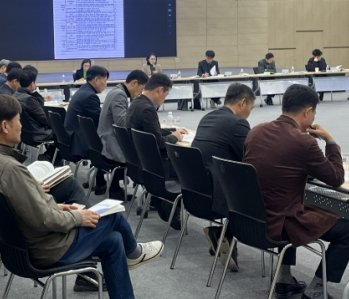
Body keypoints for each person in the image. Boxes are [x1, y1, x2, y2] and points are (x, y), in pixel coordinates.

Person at [0, 95, 164, 299]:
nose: (21, 125)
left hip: (19, 250)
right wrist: (78, 217)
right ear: (5, 126)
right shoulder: (10, 169)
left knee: (113, 241)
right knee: (114, 214)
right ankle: (134, 253)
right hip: (47, 248)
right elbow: (44, 220)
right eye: (18, 119)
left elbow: (20, 207)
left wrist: (59, 207)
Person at [244, 84, 349, 299]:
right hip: (280, 224)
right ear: (308, 111)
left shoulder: (256, 130)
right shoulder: (303, 141)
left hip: (252, 219)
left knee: (290, 204)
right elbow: (336, 178)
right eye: (314, 113)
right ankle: (316, 290)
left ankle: (283, 279)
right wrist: (330, 141)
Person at [191, 83, 255, 271]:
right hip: (219, 194)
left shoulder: (207, 117)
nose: (249, 113)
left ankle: (222, 237)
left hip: (196, 191)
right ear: (243, 102)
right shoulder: (237, 123)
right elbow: (252, 158)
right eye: (250, 108)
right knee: (257, 187)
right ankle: (225, 235)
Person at [126, 73, 187, 228]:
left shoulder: (136, 103)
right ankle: (169, 202)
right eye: (166, 95)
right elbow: (158, 143)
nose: (164, 99)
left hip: (141, 163)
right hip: (156, 168)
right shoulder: (147, 109)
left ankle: (161, 200)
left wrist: (172, 131)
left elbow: (151, 132)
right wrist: (174, 137)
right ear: (160, 90)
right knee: (188, 166)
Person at [97, 70, 148, 198]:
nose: (140, 93)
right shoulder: (119, 95)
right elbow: (122, 123)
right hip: (111, 143)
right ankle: (150, 195)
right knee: (146, 154)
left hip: (106, 138)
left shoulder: (115, 91)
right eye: (141, 89)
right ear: (134, 83)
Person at [64, 66, 109, 194]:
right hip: (79, 141)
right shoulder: (90, 96)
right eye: (104, 80)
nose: (106, 84)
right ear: (96, 80)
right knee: (114, 142)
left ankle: (101, 181)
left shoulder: (83, 91)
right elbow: (101, 121)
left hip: (72, 136)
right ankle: (112, 184)